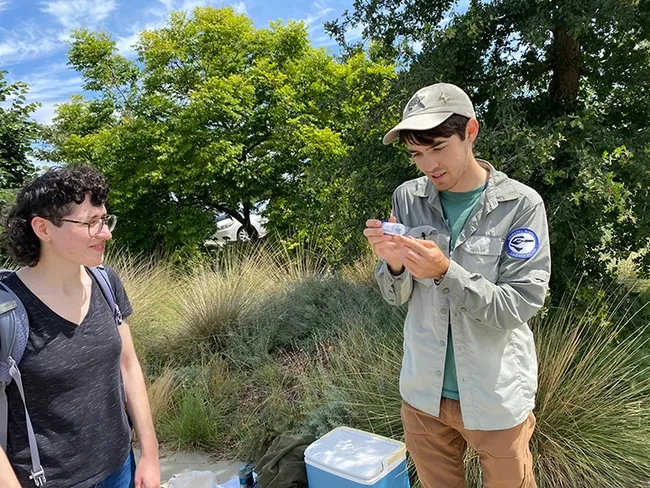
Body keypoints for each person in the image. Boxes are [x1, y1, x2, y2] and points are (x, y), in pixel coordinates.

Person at [364, 83, 551, 488]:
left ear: (470, 131)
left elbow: (519, 305)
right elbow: (395, 297)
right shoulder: (407, 198)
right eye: (416, 153)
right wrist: (394, 265)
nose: (428, 164)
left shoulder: (521, 205)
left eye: (438, 147)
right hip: (423, 397)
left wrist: (445, 271)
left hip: (495, 399)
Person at [0, 165, 160, 488]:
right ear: (43, 228)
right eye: (91, 223)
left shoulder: (105, 282)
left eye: (105, 220)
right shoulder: (7, 311)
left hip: (122, 469)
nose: (106, 233)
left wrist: (150, 454)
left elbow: (128, 367)